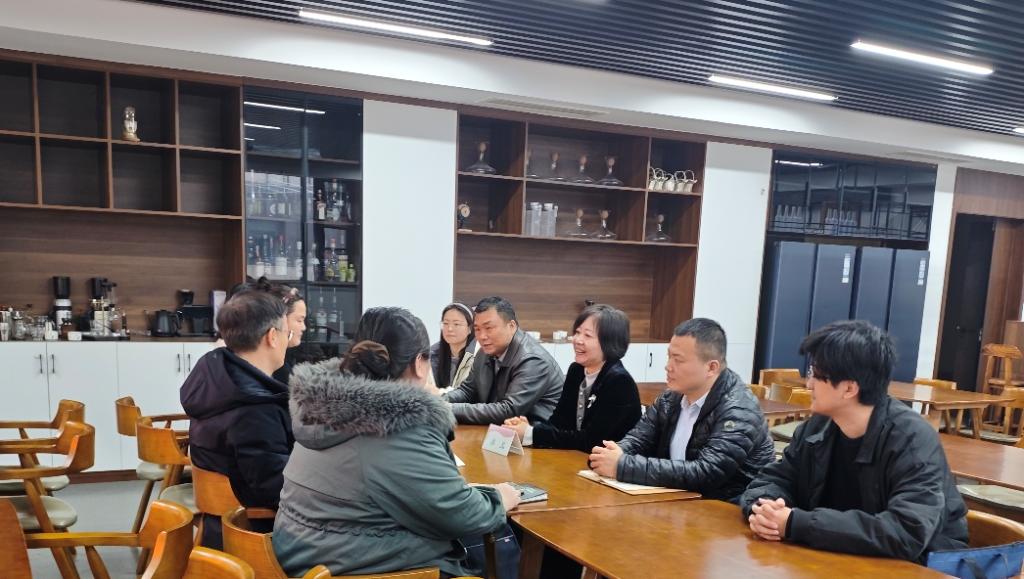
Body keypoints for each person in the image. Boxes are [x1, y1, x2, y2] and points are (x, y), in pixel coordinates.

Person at [274, 307, 520, 578]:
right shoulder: (398, 426)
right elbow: (458, 514)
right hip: (355, 567)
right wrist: (498, 498)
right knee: (499, 536)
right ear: (418, 364)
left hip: (300, 554)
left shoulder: (321, 406)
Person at [740, 320, 968, 563]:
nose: (809, 384)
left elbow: (906, 533)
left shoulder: (911, 440)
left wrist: (797, 523)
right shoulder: (817, 427)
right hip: (841, 556)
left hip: (922, 565)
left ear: (849, 389)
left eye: (816, 374)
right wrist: (765, 510)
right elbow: (774, 479)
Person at [588, 318, 773, 502]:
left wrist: (622, 466)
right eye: (669, 356)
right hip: (679, 500)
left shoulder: (739, 410)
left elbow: (706, 473)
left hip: (730, 507)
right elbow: (639, 439)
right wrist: (612, 454)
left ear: (711, 367)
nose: (668, 366)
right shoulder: (670, 398)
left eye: (678, 360)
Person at [181, 290, 294, 546]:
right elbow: (276, 489)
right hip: (256, 535)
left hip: (218, 528)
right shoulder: (254, 409)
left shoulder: (217, 383)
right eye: (287, 333)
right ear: (272, 337)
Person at [504, 304, 641, 452]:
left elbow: (591, 441)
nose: (577, 340)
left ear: (609, 342)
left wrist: (532, 434)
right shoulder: (576, 370)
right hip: (576, 456)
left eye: (587, 335)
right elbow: (558, 423)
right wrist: (529, 429)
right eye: (577, 332)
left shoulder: (619, 382)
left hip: (608, 461)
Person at [443, 296, 564, 424]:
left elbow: (509, 410)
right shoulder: (485, 352)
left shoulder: (532, 360)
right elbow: (467, 391)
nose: (482, 336)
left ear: (511, 326)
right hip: (502, 430)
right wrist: (439, 401)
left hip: (537, 431)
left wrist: (449, 409)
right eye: (477, 329)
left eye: (489, 328)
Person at [430, 302, 477, 394]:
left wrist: (438, 393)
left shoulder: (477, 356)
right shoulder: (432, 354)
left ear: (470, 328)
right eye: (445, 323)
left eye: (456, 324)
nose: (450, 329)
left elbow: (468, 394)